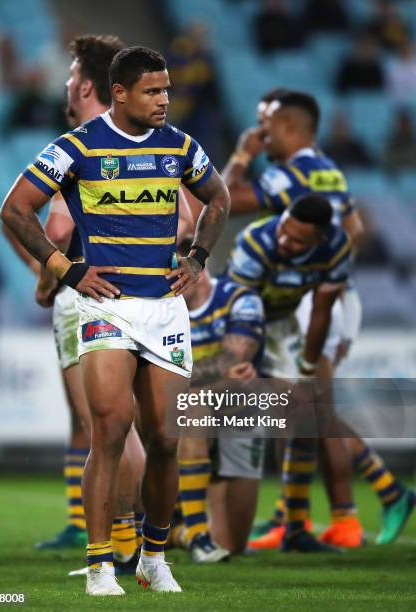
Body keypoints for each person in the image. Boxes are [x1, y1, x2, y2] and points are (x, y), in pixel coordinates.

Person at [0, 46, 230, 596]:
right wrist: (66, 269)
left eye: (167, 90)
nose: (164, 100)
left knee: (166, 440)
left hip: (164, 309)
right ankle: (102, 564)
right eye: (153, 91)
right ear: (120, 92)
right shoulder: (77, 146)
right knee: (107, 429)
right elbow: (15, 208)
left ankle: (154, 557)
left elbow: (217, 198)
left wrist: (197, 259)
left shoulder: (181, 147)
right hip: (106, 306)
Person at [223, 88, 414, 548]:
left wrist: (242, 154)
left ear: (289, 126)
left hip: (309, 294)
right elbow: (356, 230)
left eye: (265, 124)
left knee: (311, 409)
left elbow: (223, 196)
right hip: (331, 290)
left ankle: (367, 503)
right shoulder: (328, 172)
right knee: (302, 411)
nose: (260, 133)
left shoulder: (294, 175)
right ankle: (296, 517)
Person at [228, 195, 353, 552]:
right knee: (207, 419)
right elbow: (241, 305)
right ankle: (181, 521)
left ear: (319, 238)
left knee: (307, 412)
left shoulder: (336, 246)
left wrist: (309, 369)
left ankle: (295, 527)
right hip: (235, 326)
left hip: (283, 325)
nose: (285, 242)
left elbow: (321, 310)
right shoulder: (255, 240)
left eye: (297, 240)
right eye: (284, 231)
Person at [177, 239, 265, 559]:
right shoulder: (160, 309)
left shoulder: (240, 300)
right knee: (190, 406)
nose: (171, 280)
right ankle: (193, 532)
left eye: (177, 271)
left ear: (199, 267)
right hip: (183, 410)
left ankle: (184, 533)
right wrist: (213, 383)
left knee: (232, 546)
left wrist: (188, 380)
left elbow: (235, 363)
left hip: (236, 405)